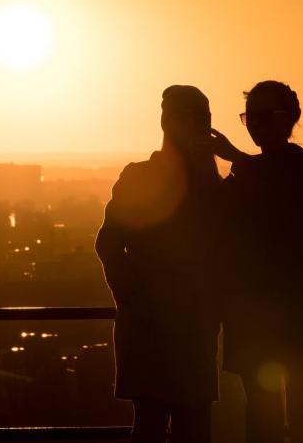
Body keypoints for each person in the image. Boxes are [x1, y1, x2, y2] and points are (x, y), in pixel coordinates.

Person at [205, 80, 303, 443]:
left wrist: (234, 159)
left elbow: (278, 195)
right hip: (288, 317)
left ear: (290, 118)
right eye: (250, 117)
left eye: (263, 116)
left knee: (286, 422)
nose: (254, 125)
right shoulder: (261, 173)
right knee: (282, 421)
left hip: (276, 317)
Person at [95, 85, 223, 443]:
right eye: (197, 118)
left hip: (177, 322)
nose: (203, 126)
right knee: (179, 424)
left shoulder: (203, 182)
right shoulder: (153, 177)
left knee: (165, 424)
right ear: (170, 122)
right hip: (169, 321)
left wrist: (131, 296)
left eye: (206, 119)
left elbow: (108, 243)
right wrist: (133, 297)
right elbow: (108, 242)